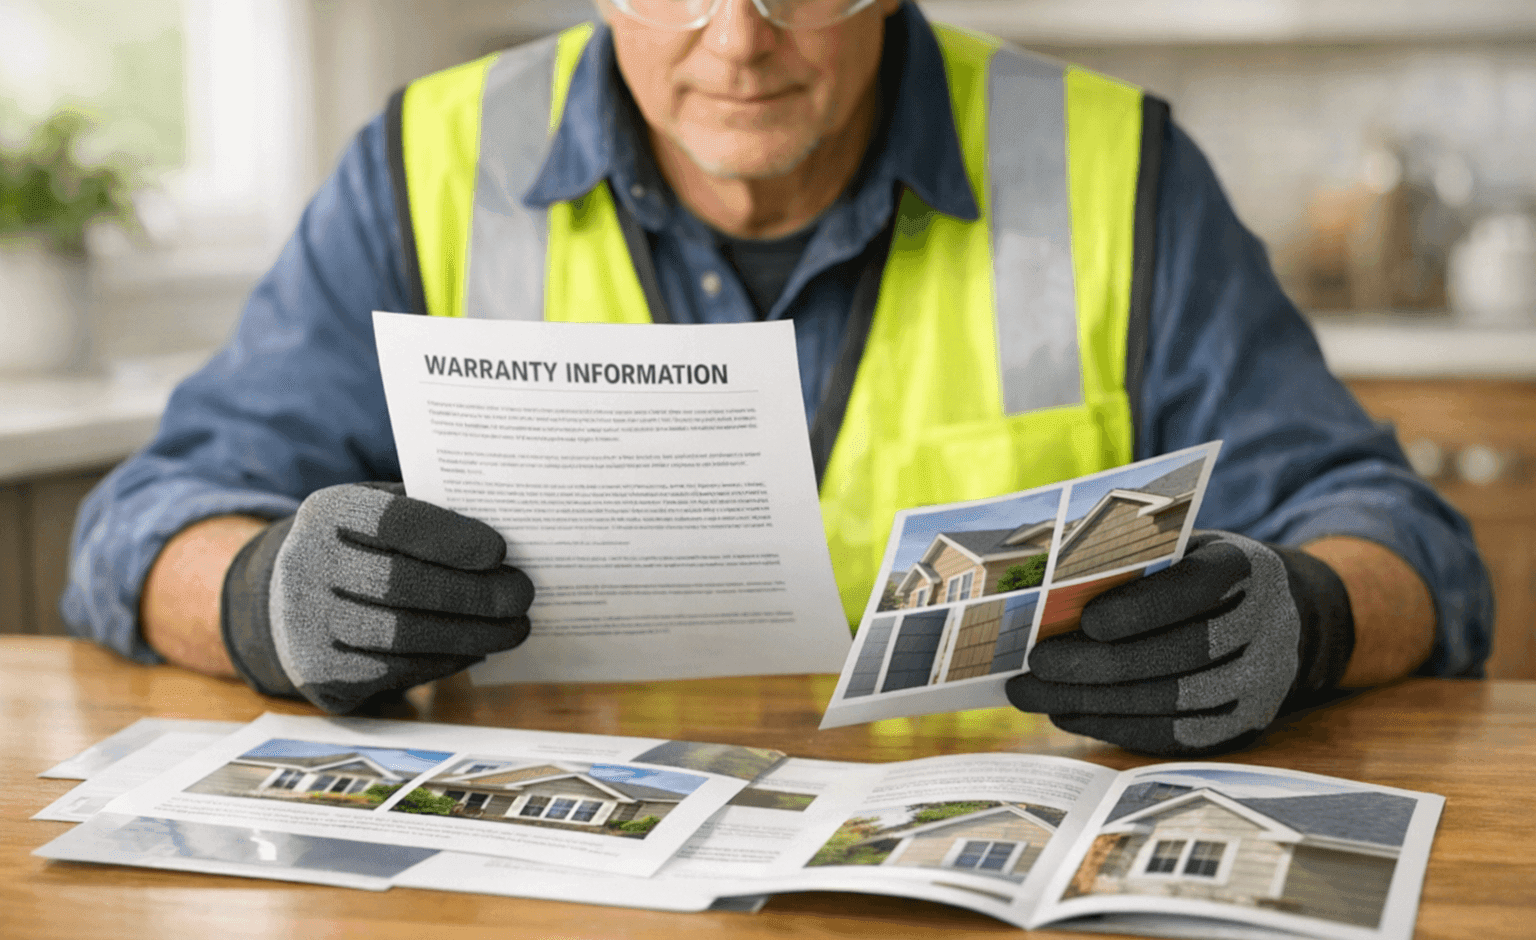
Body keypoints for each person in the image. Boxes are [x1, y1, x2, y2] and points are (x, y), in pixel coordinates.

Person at [65, 0, 1491, 753]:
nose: (737, 40)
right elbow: (143, 523)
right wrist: (262, 596)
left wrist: (1303, 619)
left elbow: (1398, 531)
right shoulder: (422, 159)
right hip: (538, 923)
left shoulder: (1118, 164)